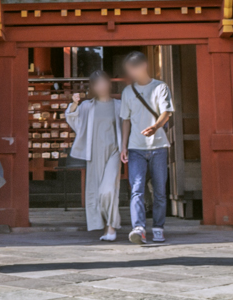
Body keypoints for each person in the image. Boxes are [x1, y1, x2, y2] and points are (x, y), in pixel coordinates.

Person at [118, 50, 173, 245]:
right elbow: (125, 120)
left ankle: (158, 227)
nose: (131, 73)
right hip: (135, 148)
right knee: (137, 189)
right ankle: (139, 228)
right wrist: (123, 146)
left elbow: (166, 112)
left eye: (133, 68)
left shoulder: (160, 87)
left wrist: (156, 127)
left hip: (159, 146)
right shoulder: (127, 92)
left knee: (159, 190)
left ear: (143, 66)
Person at [66, 70, 122, 241]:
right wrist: (74, 104)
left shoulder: (118, 105)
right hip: (94, 153)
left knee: (108, 190)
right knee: (96, 192)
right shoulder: (88, 106)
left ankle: (112, 226)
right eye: (97, 84)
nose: (102, 86)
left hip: (114, 151)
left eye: (104, 82)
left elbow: (127, 125)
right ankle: (105, 227)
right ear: (93, 87)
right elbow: (73, 119)